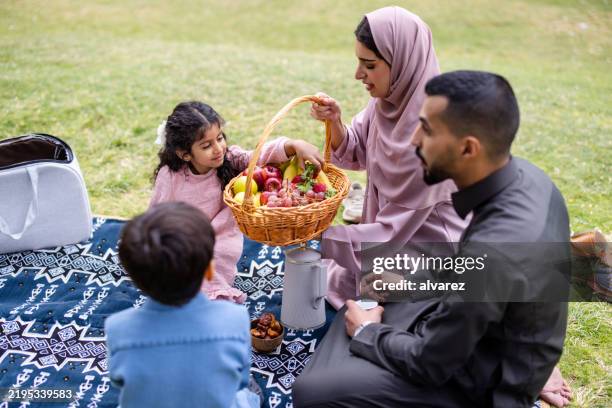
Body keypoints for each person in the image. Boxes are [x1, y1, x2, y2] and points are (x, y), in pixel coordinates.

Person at [293, 71, 570, 407]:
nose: (413, 140)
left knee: (311, 392)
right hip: (478, 318)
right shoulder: (530, 177)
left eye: (427, 130)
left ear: (468, 148)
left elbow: (431, 363)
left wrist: (368, 333)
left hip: (488, 379)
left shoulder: (493, 253)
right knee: (380, 275)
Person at [310, 6, 468, 310]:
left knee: (375, 292)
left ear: (403, 62)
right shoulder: (391, 100)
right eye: (358, 62)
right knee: (342, 278)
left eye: (369, 65)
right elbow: (356, 148)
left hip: (429, 246)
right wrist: (334, 122)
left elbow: (391, 233)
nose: (358, 75)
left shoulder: (432, 139)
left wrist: (320, 237)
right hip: (390, 230)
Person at [151, 101, 321, 302]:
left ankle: (213, 296)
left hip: (219, 234)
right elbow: (156, 214)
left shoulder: (230, 159)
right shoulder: (170, 176)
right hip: (182, 234)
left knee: (215, 260)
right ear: (185, 154)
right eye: (207, 145)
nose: (218, 149)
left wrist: (292, 145)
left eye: (220, 138)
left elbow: (258, 156)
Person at [105, 202, 260, 407]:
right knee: (249, 393)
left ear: (136, 280)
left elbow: (118, 381)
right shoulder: (234, 319)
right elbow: (238, 380)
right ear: (210, 269)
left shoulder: (117, 328)